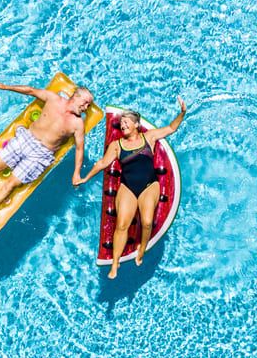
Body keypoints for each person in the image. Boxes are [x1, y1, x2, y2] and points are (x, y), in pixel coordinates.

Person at [0, 80, 94, 228]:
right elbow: (31, 90)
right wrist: (6, 87)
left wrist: (76, 173)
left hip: (41, 155)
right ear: (76, 96)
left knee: (10, 184)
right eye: (86, 102)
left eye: (88, 106)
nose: (86, 107)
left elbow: (80, 148)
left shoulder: (78, 124)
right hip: (26, 139)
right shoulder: (54, 99)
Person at [77, 96, 186, 279]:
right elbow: (102, 163)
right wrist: (84, 177)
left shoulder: (148, 137)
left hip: (150, 185)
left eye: (126, 122)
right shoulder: (117, 145)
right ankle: (114, 263)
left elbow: (171, 128)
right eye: (121, 123)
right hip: (127, 187)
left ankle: (141, 248)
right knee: (121, 225)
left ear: (136, 124)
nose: (123, 125)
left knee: (147, 222)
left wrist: (182, 113)